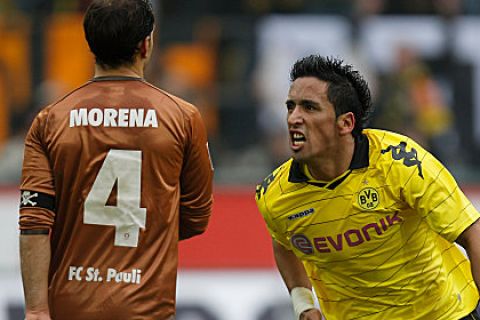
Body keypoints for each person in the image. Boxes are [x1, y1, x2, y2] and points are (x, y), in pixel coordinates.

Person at [18, 1, 214, 319]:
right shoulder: (183, 117)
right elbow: (197, 217)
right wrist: (147, 233)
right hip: (147, 307)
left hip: (71, 306)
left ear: (90, 45)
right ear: (146, 44)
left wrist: (37, 309)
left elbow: (34, 222)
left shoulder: (50, 120)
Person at [255, 54, 480, 320]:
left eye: (309, 107)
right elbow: (283, 244)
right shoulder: (275, 195)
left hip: (442, 314)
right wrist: (303, 303)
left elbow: (472, 233)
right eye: (291, 107)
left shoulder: (401, 163)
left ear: (346, 123)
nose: (294, 118)